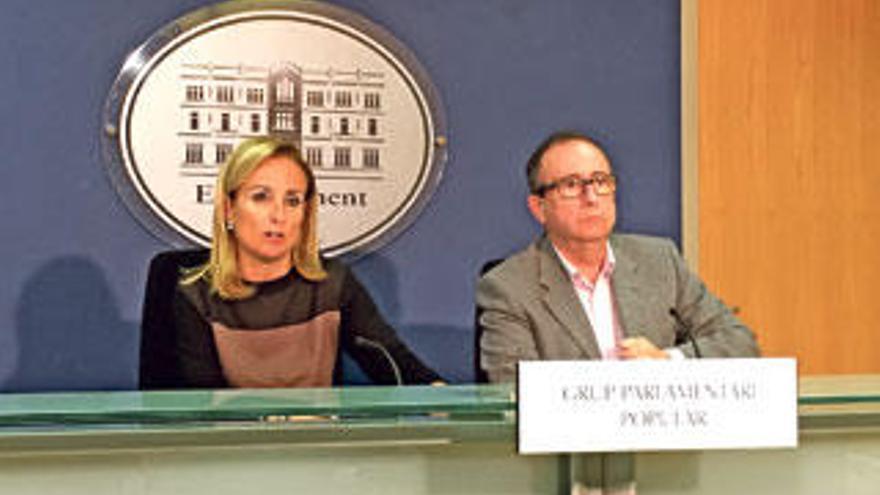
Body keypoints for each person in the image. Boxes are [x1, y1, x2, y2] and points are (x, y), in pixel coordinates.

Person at [476, 130, 760, 384]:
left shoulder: (659, 261)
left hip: (658, 436)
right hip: (570, 442)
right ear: (539, 208)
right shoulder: (507, 287)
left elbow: (740, 343)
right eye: (572, 185)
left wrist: (668, 362)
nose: (591, 198)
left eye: (600, 181)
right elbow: (513, 388)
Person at [157, 137, 442, 388]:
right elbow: (202, 407)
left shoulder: (331, 284)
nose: (279, 215)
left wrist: (440, 393)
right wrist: (279, 420)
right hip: (237, 445)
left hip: (318, 444)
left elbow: (394, 364)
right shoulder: (196, 297)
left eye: (293, 201)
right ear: (230, 208)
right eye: (261, 197)